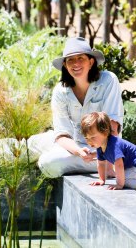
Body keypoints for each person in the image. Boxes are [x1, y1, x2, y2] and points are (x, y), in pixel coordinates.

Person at [38, 37, 124, 178]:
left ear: (91, 62)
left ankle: (102, 166)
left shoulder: (109, 80)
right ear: (65, 65)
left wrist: (106, 162)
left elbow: (112, 127)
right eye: (70, 60)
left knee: (48, 162)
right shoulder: (60, 90)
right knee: (41, 154)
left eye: (80, 58)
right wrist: (79, 152)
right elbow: (62, 134)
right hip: (75, 147)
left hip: (105, 148)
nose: (75, 64)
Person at [81, 111, 136, 201]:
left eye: (92, 137)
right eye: (87, 138)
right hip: (135, 165)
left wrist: (119, 184)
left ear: (105, 133)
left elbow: (119, 165)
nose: (89, 142)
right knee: (121, 177)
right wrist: (102, 180)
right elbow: (101, 164)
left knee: (123, 179)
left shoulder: (114, 145)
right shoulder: (100, 146)